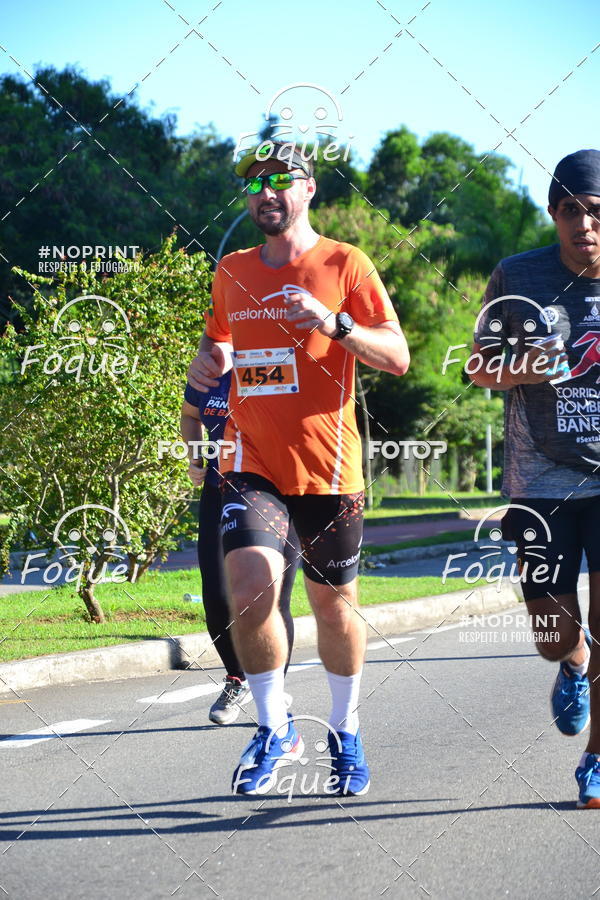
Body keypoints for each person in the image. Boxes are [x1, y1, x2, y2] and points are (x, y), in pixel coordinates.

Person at [187, 141, 409, 796]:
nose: (266, 193)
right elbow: (217, 343)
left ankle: (345, 728)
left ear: (309, 188)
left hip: (328, 468)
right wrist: (207, 362)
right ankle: (275, 727)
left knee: (333, 610)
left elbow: (397, 356)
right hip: (250, 458)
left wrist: (333, 323)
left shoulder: (346, 263)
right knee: (250, 581)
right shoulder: (231, 270)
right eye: (254, 183)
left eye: (280, 179)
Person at [469, 149, 600, 809]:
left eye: (596, 212)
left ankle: (596, 758)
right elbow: (477, 367)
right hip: (539, 479)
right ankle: (573, 664)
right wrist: (524, 366)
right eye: (571, 210)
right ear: (553, 213)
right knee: (554, 630)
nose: (585, 225)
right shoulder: (518, 276)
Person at [180, 370, 297, 725]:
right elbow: (190, 414)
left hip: (275, 493)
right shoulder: (208, 370)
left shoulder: (277, 365)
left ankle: (273, 688)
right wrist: (196, 457)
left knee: (273, 597)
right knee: (217, 595)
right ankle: (237, 678)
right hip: (220, 490)